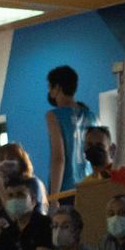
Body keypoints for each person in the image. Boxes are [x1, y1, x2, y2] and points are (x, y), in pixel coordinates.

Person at [44, 64, 96, 196]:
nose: (49, 92)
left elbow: (58, 158)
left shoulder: (54, 115)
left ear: (57, 88)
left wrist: (54, 197)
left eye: (50, 87)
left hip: (67, 189)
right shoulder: (92, 116)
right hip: (91, 185)